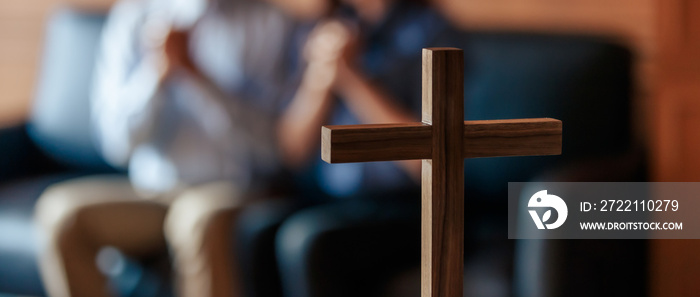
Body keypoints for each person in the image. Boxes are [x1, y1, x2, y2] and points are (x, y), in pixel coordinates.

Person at [33, 0, 328, 296]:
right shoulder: (134, 16)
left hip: (240, 187)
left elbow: (276, 147)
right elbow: (117, 145)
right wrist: (157, 74)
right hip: (154, 192)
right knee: (61, 214)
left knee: (194, 219)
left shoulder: (272, 23)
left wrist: (195, 75)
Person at [234, 0, 458, 296]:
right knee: (256, 230)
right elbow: (293, 151)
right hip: (330, 198)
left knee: (309, 241)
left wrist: (351, 77)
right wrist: (320, 80)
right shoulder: (326, 29)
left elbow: (428, 158)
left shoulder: (430, 31)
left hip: (404, 204)